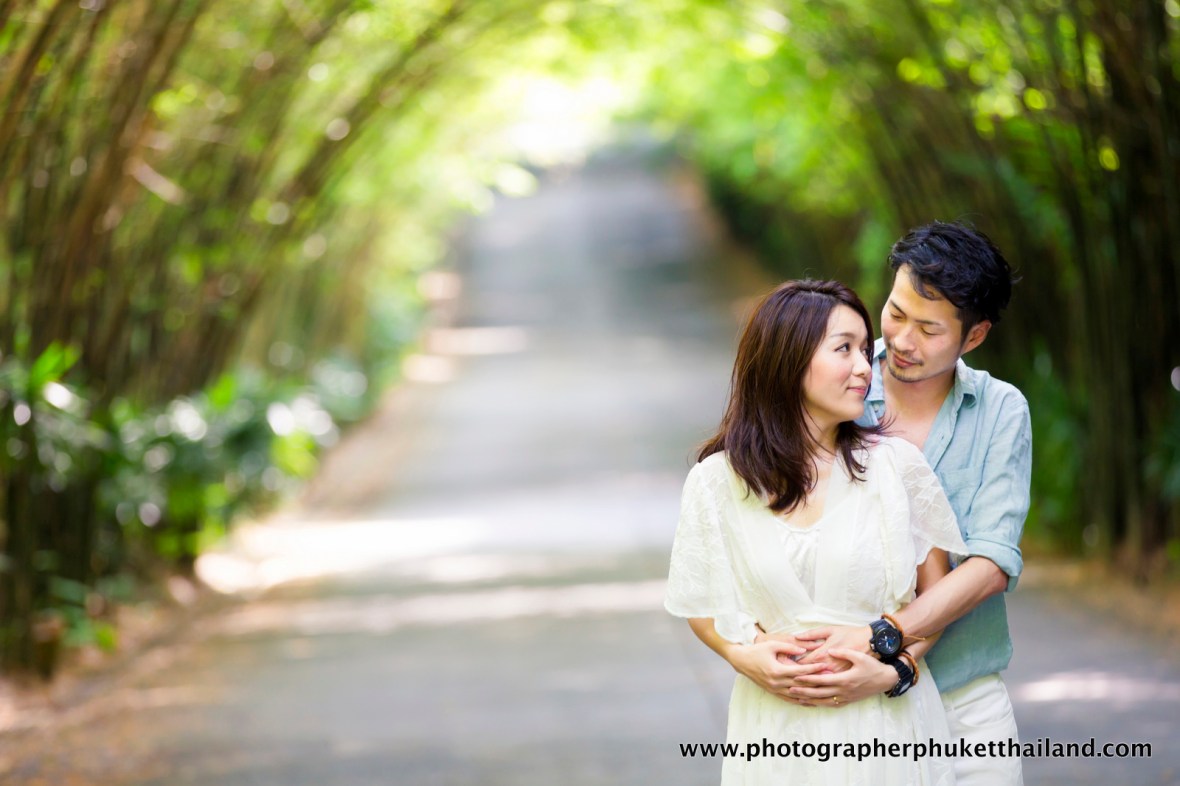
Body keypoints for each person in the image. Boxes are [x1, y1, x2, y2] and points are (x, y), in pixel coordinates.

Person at [665, 279, 967, 784]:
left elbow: (936, 599)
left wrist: (896, 669)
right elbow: (700, 604)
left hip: (885, 726)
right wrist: (744, 658)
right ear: (789, 358)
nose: (865, 368)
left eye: (864, 350)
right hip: (775, 728)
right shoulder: (716, 482)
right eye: (843, 349)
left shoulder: (895, 468)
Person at [771, 222, 1030, 785]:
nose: (904, 340)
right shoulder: (838, 385)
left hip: (966, 704)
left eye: (930, 329)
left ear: (975, 336)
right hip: (845, 704)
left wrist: (887, 642)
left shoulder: (1000, 411)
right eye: (896, 312)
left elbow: (990, 563)